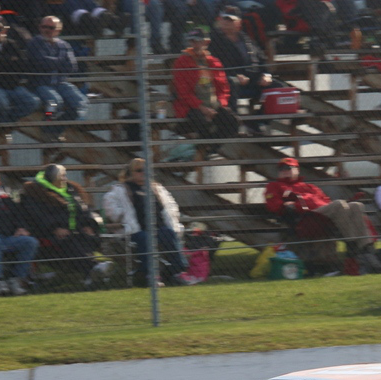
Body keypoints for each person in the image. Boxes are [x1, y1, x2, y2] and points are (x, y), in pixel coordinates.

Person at [265, 157, 381, 273]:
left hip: (325, 215)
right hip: (306, 219)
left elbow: (326, 201)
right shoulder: (275, 186)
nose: (284, 171)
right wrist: (291, 205)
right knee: (338, 204)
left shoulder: (309, 186)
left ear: (297, 170)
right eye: (281, 169)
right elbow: (273, 205)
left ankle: (366, 248)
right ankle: (352, 244)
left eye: (288, 168)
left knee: (356, 206)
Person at [102, 158, 193, 287]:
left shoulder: (157, 188)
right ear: (131, 173)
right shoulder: (121, 189)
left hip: (159, 227)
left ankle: (177, 272)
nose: (143, 173)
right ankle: (150, 275)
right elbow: (110, 207)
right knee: (145, 238)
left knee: (169, 233)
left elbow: (171, 205)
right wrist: (122, 216)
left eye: (146, 170)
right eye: (139, 170)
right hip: (135, 229)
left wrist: (173, 216)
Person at [20, 163, 108, 286]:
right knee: (69, 240)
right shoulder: (35, 192)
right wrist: (54, 228)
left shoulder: (71, 189)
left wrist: (88, 224)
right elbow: (38, 216)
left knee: (87, 237)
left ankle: (93, 271)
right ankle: (94, 268)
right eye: (62, 176)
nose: (64, 179)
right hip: (47, 232)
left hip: (75, 229)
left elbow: (83, 209)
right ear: (52, 177)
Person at [172, 28, 240, 148]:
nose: (195, 44)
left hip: (214, 105)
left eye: (198, 41)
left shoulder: (214, 62)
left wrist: (220, 105)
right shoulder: (182, 62)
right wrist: (203, 109)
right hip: (191, 107)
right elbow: (183, 93)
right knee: (201, 122)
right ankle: (204, 149)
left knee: (233, 122)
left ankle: (210, 149)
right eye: (192, 41)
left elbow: (223, 89)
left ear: (206, 42)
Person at [27, 15, 89, 142]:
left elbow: (72, 67)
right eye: (44, 27)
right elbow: (39, 62)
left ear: (58, 30)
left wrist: (51, 63)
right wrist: (61, 62)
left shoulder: (64, 45)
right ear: (39, 27)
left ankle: (55, 129)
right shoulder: (34, 43)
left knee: (80, 103)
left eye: (51, 28)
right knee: (54, 102)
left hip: (60, 83)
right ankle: (48, 122)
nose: (47, 30)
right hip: (40, 83)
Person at [208, 7, 273, 126]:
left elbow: (262, 59)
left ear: (239, 23)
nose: (226, 22)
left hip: (253, 77)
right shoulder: (213, 41)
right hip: (228, 79)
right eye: (224, 19)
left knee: (280, 87)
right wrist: (235, 75)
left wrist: (266, 75)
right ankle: (233, 123)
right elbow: (212, 65)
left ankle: (256, 122)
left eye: (231, 20)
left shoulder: (246, 39)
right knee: (232, 82)